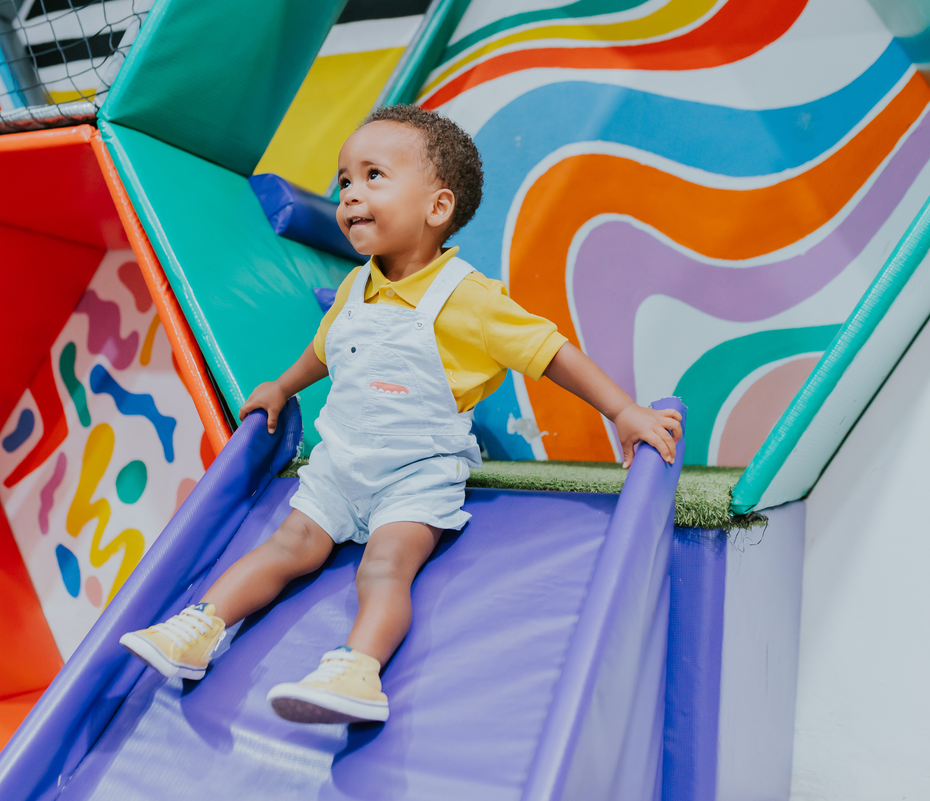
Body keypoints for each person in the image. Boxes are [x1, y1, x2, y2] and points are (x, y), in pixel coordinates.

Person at [120, 105, 682, 725]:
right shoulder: (357, 287)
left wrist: (623, 410)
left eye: (372, 176)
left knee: (385, 566)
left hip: (416, 475)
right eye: (344, 181)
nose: (350, 194)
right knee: (288, 544)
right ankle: (202, 629)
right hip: (342, 468)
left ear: (436, 208)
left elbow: (551, 354)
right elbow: (324, 352)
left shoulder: (466, 297)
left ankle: (358, 669)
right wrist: (281, 386)